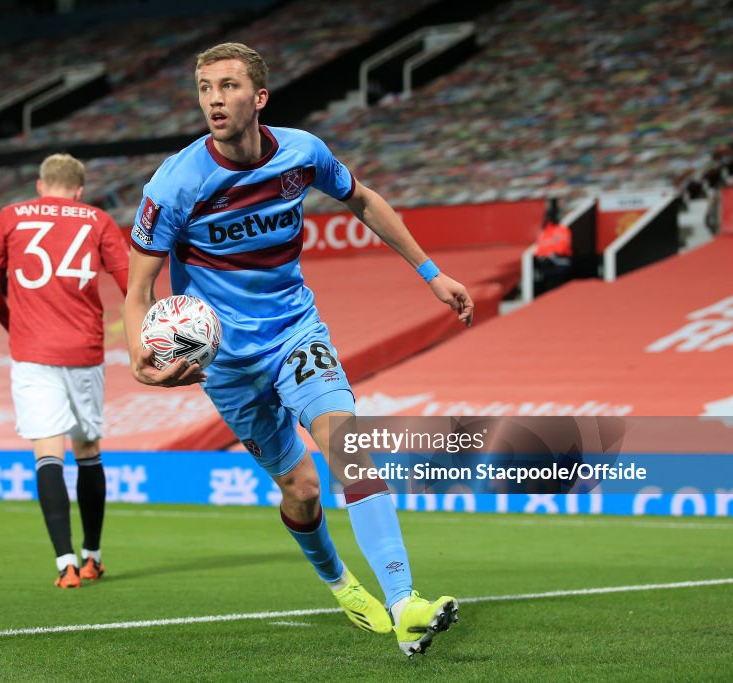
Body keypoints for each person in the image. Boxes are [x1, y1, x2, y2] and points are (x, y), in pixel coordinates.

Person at [124, 43, 473, 658]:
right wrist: (139, 357)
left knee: (348, 445)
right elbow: (138, 289)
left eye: (227, 86)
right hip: (225, 361)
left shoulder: (301, 153)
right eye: (205, 88)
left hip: (294, 333)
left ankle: (404, 604)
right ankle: (341, 584)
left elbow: (362, 199)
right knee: (304, 490)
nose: (213, 99)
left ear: (258, 98)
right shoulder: (176, 183)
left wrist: (432, 274)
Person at [0, 153, 129, 589]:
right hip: (83, 350)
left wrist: (15, 327)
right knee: (88, 448)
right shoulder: (98, 220)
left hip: (33, 352)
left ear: (41, 185)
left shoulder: (11, 216)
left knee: (48, 452)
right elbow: (128, 283)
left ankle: (64, 564)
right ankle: (93, 556)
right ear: (79, 189)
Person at [533, 198, 572, 296]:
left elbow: (563, 246)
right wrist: (542, 258)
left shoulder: (562, 230)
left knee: (561, 291)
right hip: (546, 267)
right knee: (548, 291)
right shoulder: (544, 232)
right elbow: (539, 248)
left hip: (560, 265)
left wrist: (552, 255)